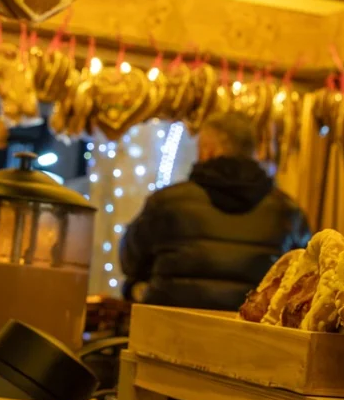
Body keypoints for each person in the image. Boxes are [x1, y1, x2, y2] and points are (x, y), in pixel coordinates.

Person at [118, 111, 311, 310]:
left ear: (208, 151)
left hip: (172, 331)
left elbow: (130, 262)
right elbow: (304, 279)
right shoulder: (288, 211)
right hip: (251, 335)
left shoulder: (166, 203)